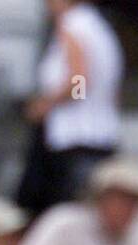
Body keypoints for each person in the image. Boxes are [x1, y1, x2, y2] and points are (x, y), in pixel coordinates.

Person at [16, 0, 124, 218]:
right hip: (102, 134)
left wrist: (46, 104)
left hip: (73, 139)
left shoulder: (73, 25)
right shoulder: (101, 27)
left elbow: (80, 81)